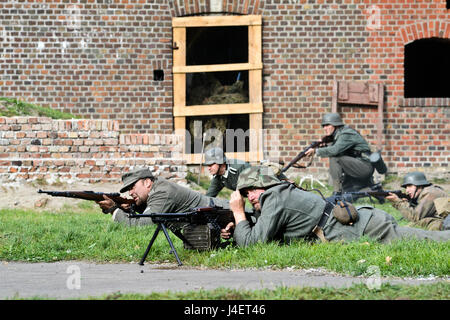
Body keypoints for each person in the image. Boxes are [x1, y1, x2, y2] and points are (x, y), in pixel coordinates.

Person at [220, 166, 450, 247]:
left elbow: (253, 244)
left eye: (251, 190)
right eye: (244, 193)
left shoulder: (275, 197)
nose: (248, 196)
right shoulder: (279, 195)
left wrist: (239, 213)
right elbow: (266, 233)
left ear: (266, 185)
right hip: (362, 222)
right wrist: (241, 224)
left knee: (426, 239)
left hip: (368, 228)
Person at [97, 167, 230, 226]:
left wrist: (115, 210)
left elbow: (142, 226)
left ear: (148, 182)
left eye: (132, 187)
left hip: (225, 212)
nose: (130, 193)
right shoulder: (158, 187)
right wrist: (129, 209)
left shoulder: (162, 193)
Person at [304, 112, 376, 193]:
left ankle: (336, 192)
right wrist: (322, 144)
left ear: (336, 125)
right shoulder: (338, 135)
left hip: (364, 167)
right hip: (357, 166)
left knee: (335, 157)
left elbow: (335, 150)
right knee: (348, 194)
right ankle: (373, 190)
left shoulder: (346, 134)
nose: (325, 128)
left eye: (327, 125)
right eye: (324, 126)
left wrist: (316, 151)